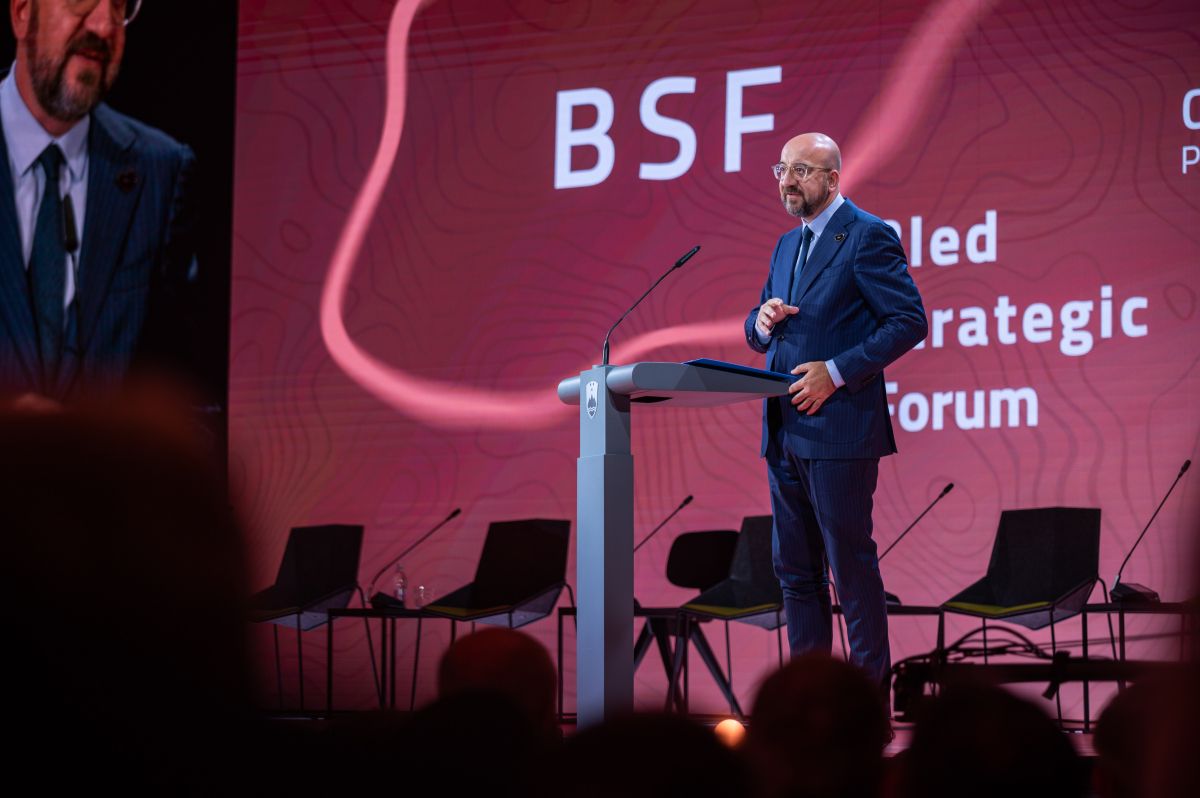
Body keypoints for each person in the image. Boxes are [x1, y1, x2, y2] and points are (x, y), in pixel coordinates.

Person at [744, 132, 926, 689]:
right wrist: (760, 323)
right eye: (782, 169)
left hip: (839, 430)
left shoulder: (867, 235)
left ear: (832, 178)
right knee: (796, 575)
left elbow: (909, 321)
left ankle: (867, 712)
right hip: (784, 429)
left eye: (801, 170)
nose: (788, 180)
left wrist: (837, 371)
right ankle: (807, 705)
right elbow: (758, 328)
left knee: (850, 573)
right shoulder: (785, 245)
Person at [0, 0, 196, 406]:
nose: (105, 26)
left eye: (120, 5)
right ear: (22, 13)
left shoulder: (160, 173)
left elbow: (189, 400)